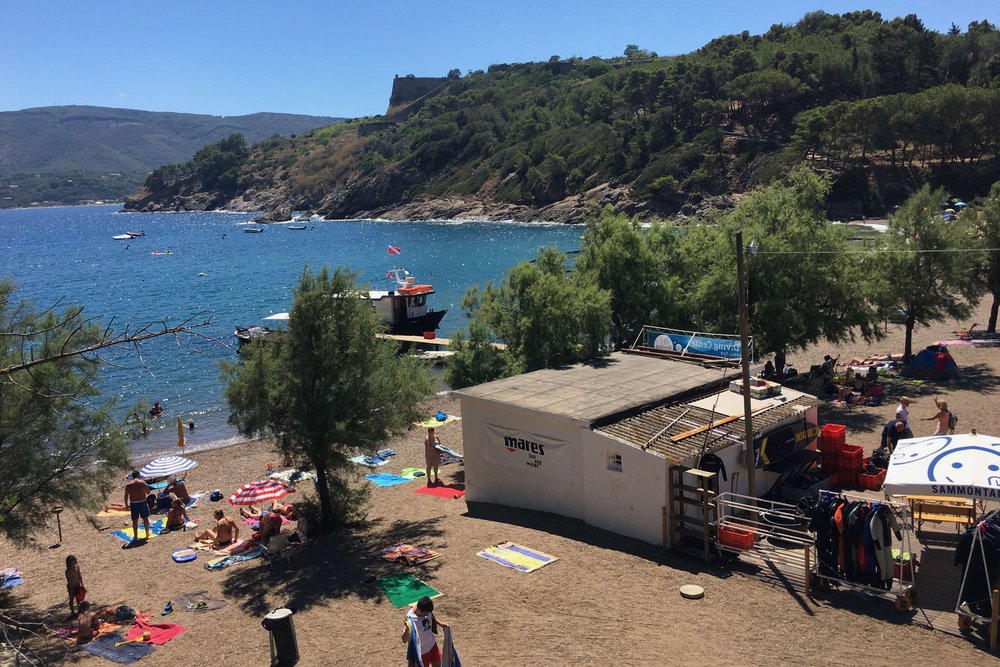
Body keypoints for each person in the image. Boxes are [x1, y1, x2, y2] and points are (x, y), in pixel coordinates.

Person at [401, 596, 448, 667]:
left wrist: (440, 623)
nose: (427, 615)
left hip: (433, 647)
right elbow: (404, 640)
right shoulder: (411, 620)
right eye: (426, 613)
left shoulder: (424, 608)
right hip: (422, 654)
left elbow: (431, 618)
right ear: (419, 610)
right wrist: (407, 629)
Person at [124, 471, 152, 542]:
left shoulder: (129, 485)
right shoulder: (142, 483)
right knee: (145, 518)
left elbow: (126, 496)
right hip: (142, 502)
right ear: (138, 475)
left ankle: (136, 536)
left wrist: (126, 504)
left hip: (133, 503)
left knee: (135, 520)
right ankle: (147, 534)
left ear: (132, 476)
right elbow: (148, 492)